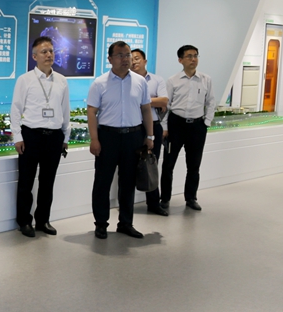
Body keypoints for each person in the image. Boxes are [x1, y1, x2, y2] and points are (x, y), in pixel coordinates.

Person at [87, 41, 154, 239]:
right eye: (120, 55)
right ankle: (101, 223)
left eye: (128, 55)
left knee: (128, 182)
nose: (125, 59)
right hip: (108, 137)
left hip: (133, 137)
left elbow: (146, 109)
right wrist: (94, 139)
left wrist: (150, 136)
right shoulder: (100, 83)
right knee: (103, 182)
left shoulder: (140, 82)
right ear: (110, 59)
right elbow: (92, 112)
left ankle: (126, 223)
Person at [10, 36, 70, 237]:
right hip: (31, 136)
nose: (49, 55)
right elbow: (16, 110)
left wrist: (65, 138)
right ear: (34, 56)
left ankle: (43, 220)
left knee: (47, 182)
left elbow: (65, 110)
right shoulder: (25, 80)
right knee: (26, 182)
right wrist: (17, 137)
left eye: (51, 51)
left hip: (54, 137)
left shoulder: (61, 81)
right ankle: (24, 221)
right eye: (44, 52)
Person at [160, 45, 216, 211]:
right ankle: (165, 199)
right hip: (176, 125)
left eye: (195, 56)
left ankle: (191, 198)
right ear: (180, 60)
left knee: (194, 165)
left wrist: (206, 122)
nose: (193, 59)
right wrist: (164, 127)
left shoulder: (206, 79)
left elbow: (211, 102)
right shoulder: (173, 80)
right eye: (189, 56)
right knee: (168, 165)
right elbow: (166, 106)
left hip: (197, 127)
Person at [130, 49, 169, 216]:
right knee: (129, 165)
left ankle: (153, 203)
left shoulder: (157, 80)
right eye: (131, 59)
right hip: (133, 126)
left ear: (145, 61)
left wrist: (143, 101)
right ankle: (126, 205)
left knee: (151, 164)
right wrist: (153, 101)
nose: (134, 62)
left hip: (153, 125)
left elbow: (164, 101)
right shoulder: (126, 80)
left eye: (137, 58)